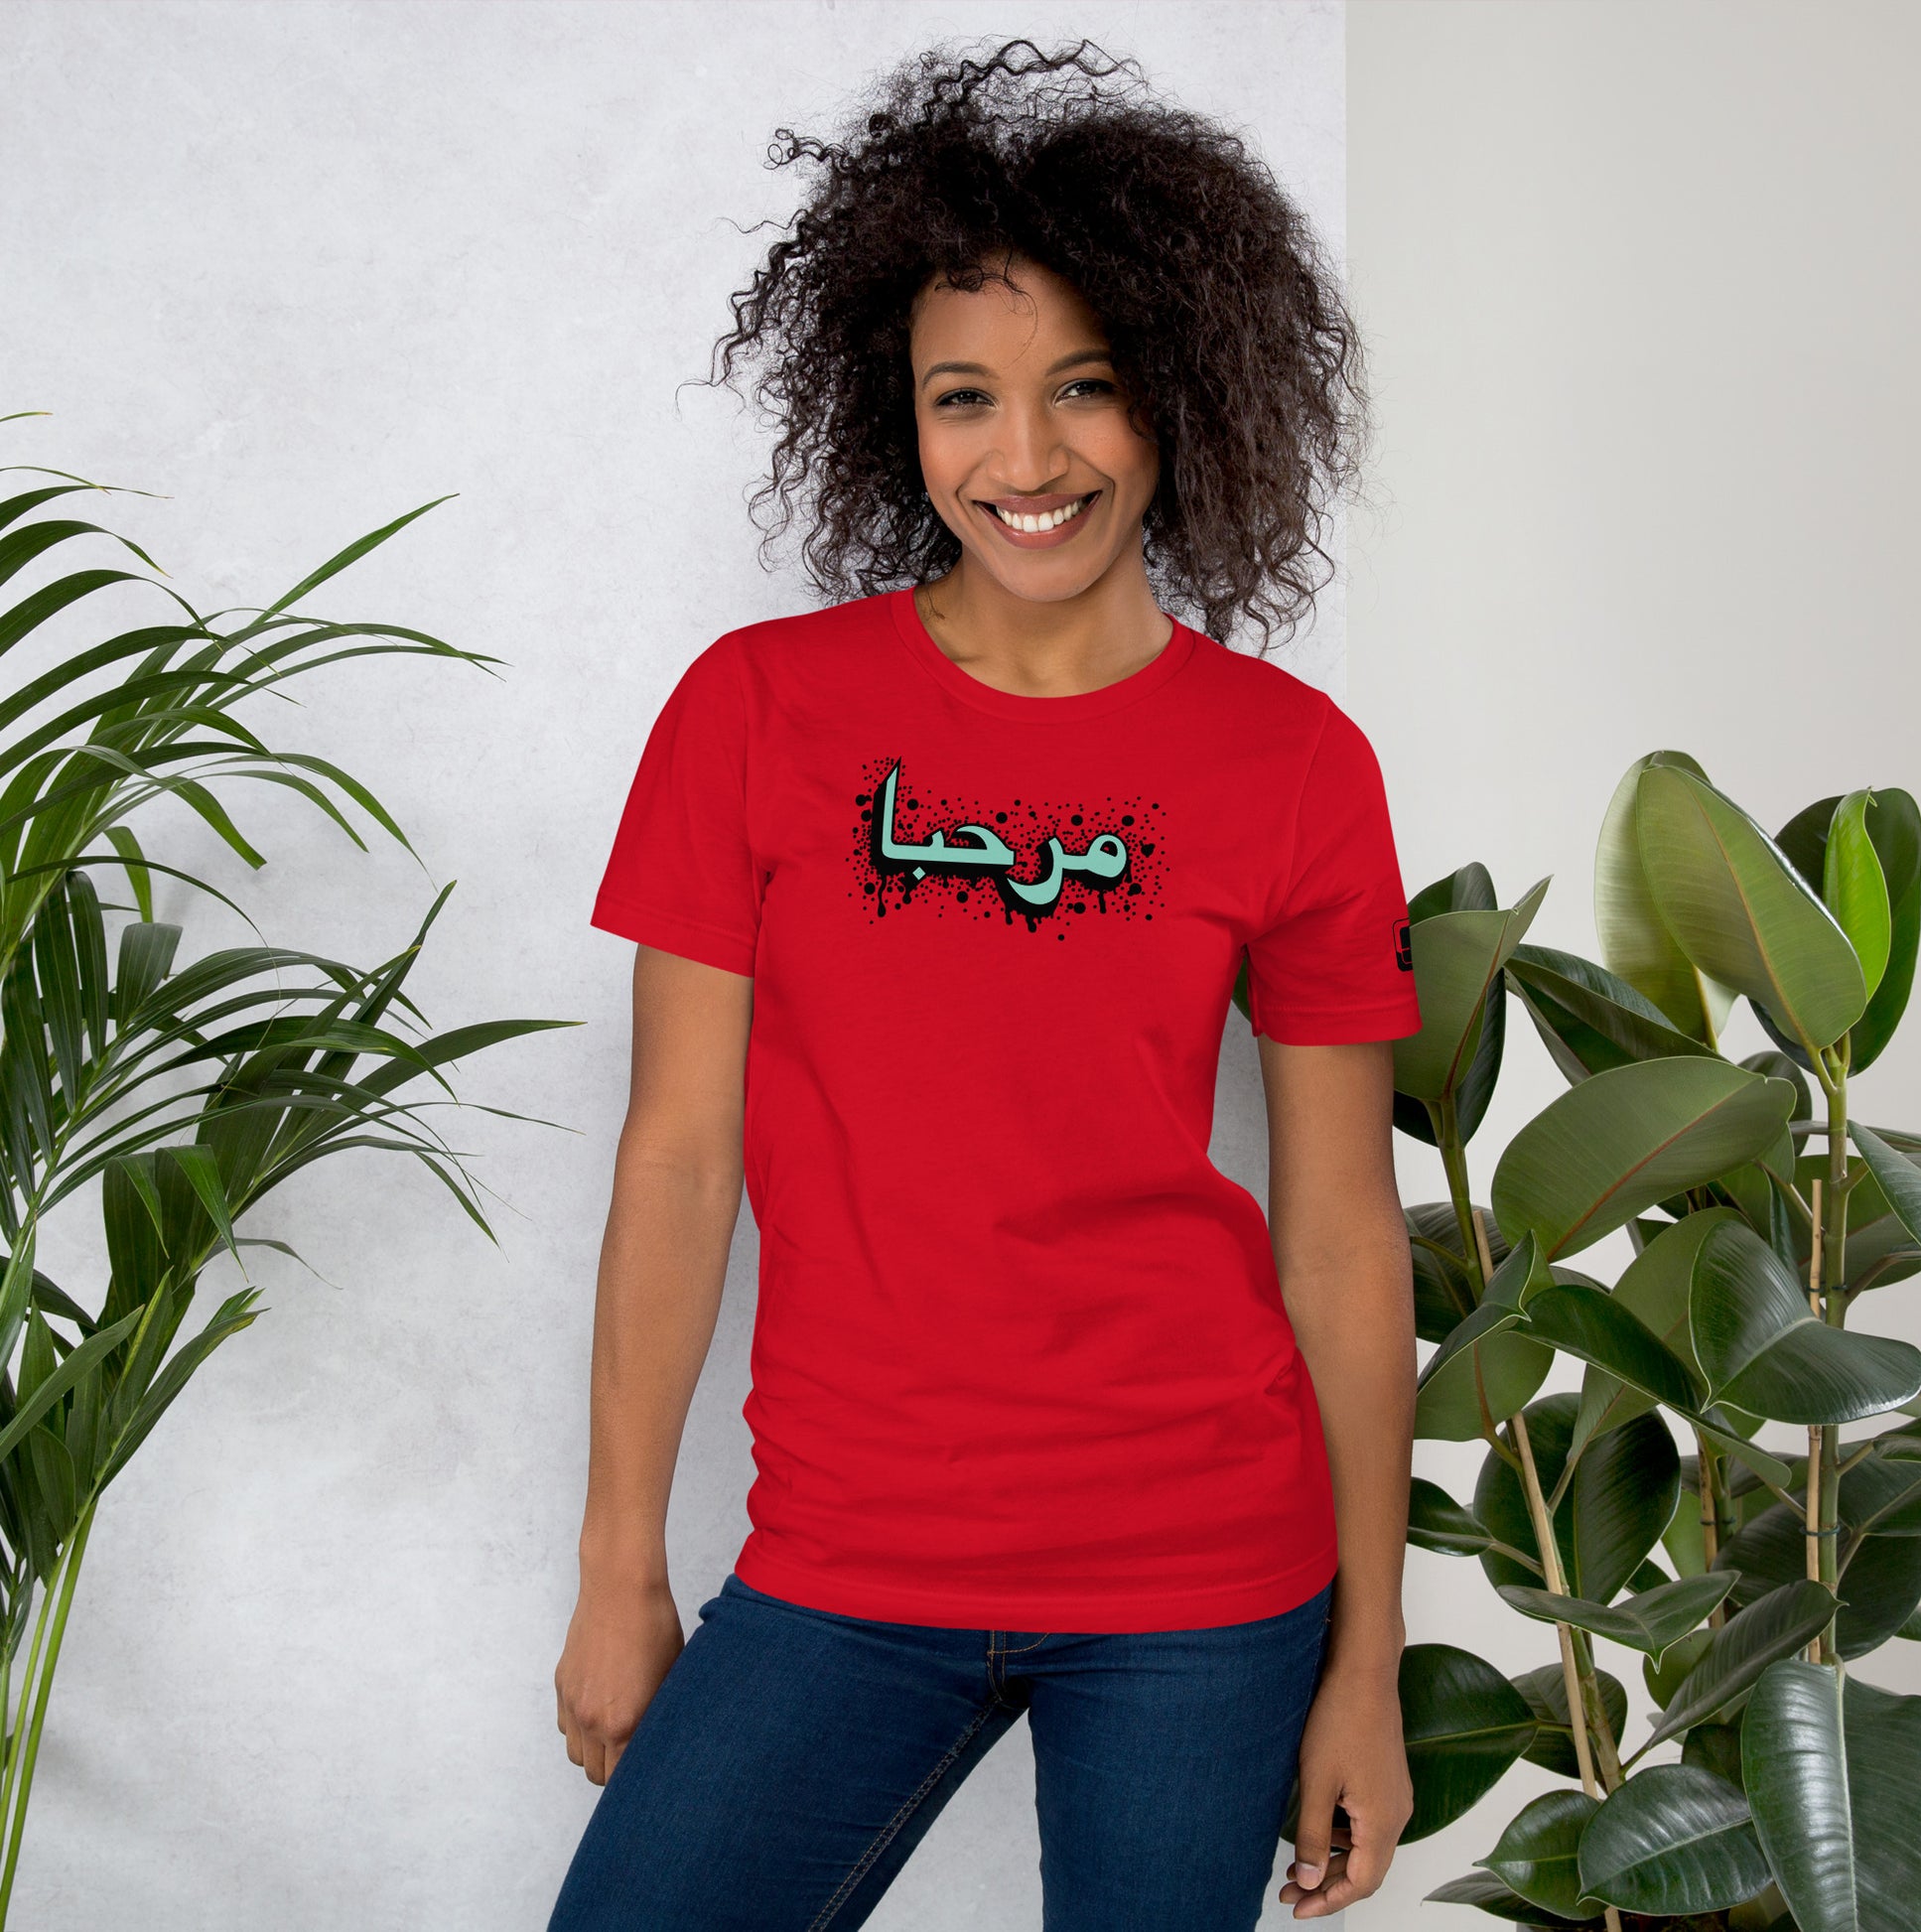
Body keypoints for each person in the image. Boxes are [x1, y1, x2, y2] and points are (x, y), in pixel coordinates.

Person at [549, 39, 1420, 1932]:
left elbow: (1343, 1235)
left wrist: (1367, 1653)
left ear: (1181, 396)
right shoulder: (758, 715)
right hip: (853, 1553)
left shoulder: (1290, 764)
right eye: (966, 399)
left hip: (1204, 1576)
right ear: (901, 416)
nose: (1023, 461)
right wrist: (624, 1555)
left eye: (1084, 389)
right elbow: (679, 1162)